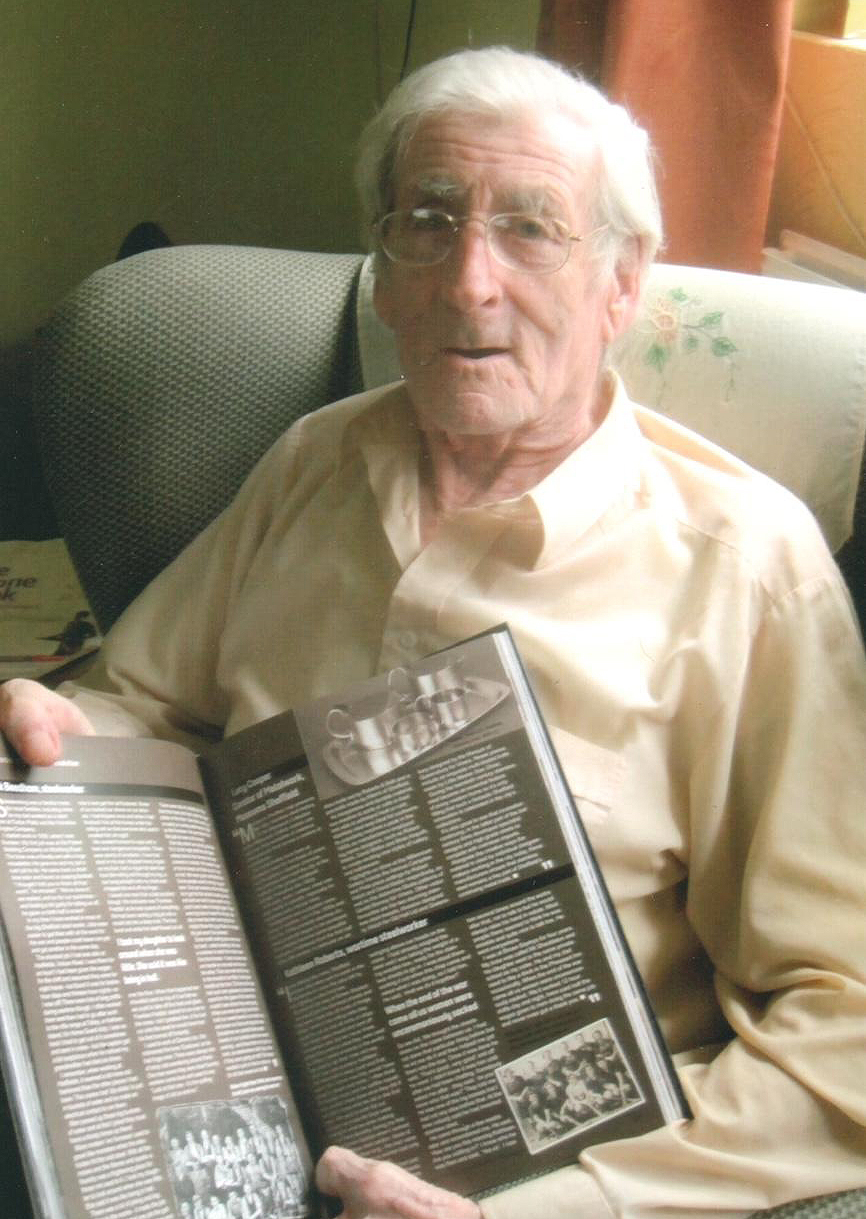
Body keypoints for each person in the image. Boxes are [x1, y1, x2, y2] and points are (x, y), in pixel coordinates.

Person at [2, 44, 865, 1219]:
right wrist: (59, 725)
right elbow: (140, 702)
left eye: (530, 229)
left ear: (622, 282)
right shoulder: (317, 459)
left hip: (516, 1179)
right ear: (382, 274)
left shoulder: (744, 569)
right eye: (428, 221)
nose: (468, 283)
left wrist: (568, 1209)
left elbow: (843, 1026)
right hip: (194, 1091)